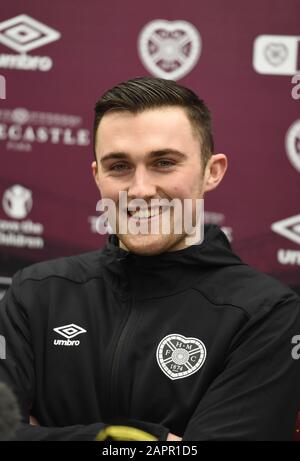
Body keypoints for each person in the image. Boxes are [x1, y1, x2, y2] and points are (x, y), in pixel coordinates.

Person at [0, 76, 300, 441]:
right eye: (119, 166)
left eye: (164, 162)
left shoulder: (267, 313)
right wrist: (140, 439)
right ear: (97, 176)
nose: (140, 190)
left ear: (212, 171)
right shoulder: (36, 293)